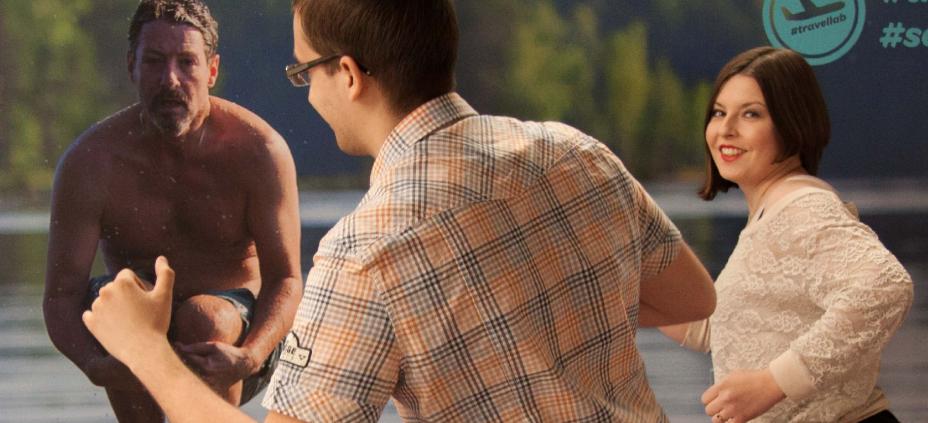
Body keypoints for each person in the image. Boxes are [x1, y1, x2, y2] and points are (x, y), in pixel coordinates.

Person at [80, 0, 718, 422]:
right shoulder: (577, 152)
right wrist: (516, 314)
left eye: (306, 74)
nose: (308, 97)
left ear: (350, 75)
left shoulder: (367, 252)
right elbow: (694, 298)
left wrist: (146, 351)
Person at [43, 1, 303, 421]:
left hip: (236, 341)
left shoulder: (259, 151)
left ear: (212, 70)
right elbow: (61, 295)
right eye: (154, 62)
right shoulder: (91, 162)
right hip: (135, 341)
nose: (171, 80)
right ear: (132, 66)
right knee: (127, 302)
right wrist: (94, 365)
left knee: (204, 317)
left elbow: (287, 279)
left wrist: (250, 356)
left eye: (186, 63)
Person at [655, 47, 914, 423]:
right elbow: (723, 327)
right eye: (719, 112)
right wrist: (625, 290)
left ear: (792, 123)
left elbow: (885, 288)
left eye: (751, 114)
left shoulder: (800, 207)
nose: (726, 129)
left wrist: (773, 383)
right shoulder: (772, 210)